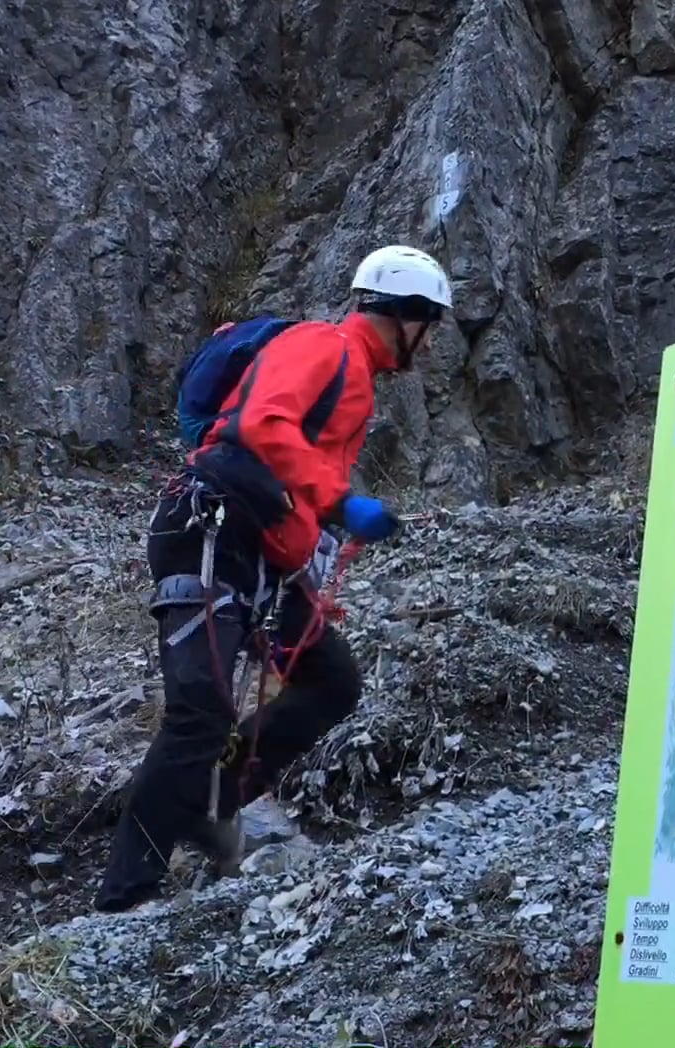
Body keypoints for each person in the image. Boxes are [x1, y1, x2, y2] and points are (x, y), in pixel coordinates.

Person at [94, 245, 452, 913]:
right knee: (199, 717)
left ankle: (214, 803)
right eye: (430, 326)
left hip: (259, 555)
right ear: (408, 315)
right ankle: (122, 901)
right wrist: (342, 504)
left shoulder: (356, 375)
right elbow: (262, 424)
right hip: (211, 535)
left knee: (331, 681)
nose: (430, 344)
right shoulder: (325, 346)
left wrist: (314, 546)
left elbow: (289, 470)